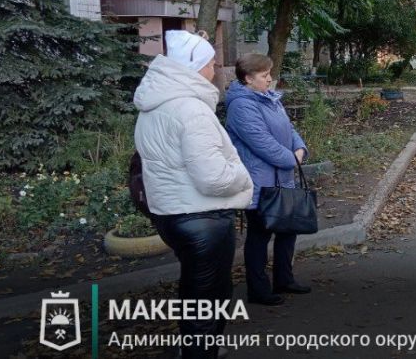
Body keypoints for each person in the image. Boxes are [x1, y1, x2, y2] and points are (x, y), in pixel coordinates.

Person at [133, 30, 253, 358]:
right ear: (196, 67)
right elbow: (213, 179)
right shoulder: (192, 111)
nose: (215, 69)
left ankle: (194, 347)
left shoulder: (153, 106)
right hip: (203, 219)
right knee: (209, 299)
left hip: (170, 214)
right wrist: (243, 175)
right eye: (211, 63)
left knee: (196, 292)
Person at [225, 53, 311, 306]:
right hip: (260, 183)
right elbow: (262, 143)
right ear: (248, 78)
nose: (269, 78)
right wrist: (292, 159)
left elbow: (289, 129)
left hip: (282, 179)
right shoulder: (241, 106)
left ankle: (284, 279)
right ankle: (258, 289)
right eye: (264, 75)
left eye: (269, 74)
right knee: (260, 236)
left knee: (287, 231)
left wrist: (300, 148)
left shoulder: (269, 98)